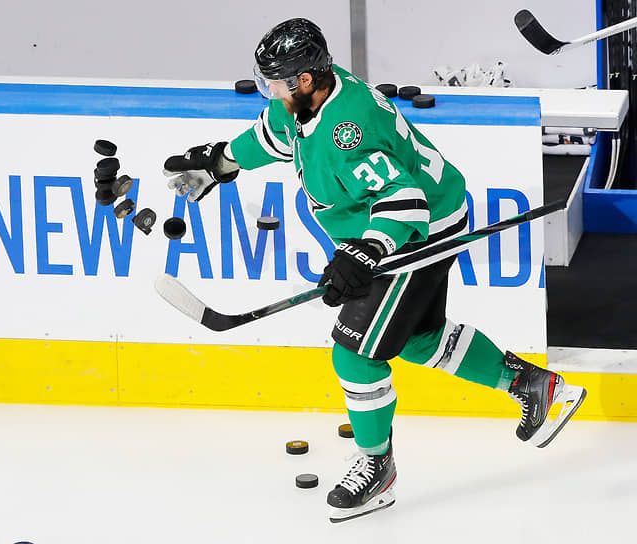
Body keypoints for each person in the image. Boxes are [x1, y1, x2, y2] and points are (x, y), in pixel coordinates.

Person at [162, 18, 587, 523]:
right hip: (416, 220)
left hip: (413, 234)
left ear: (303, 79)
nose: (268, 91)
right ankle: (536, 387)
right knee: (414, 337)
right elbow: (274, 135)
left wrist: (366, 250)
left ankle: (375, 466)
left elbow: (403, 201)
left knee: (355, 353)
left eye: (274, 82)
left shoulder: (349, 130)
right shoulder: (309, 97)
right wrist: (221, 162)